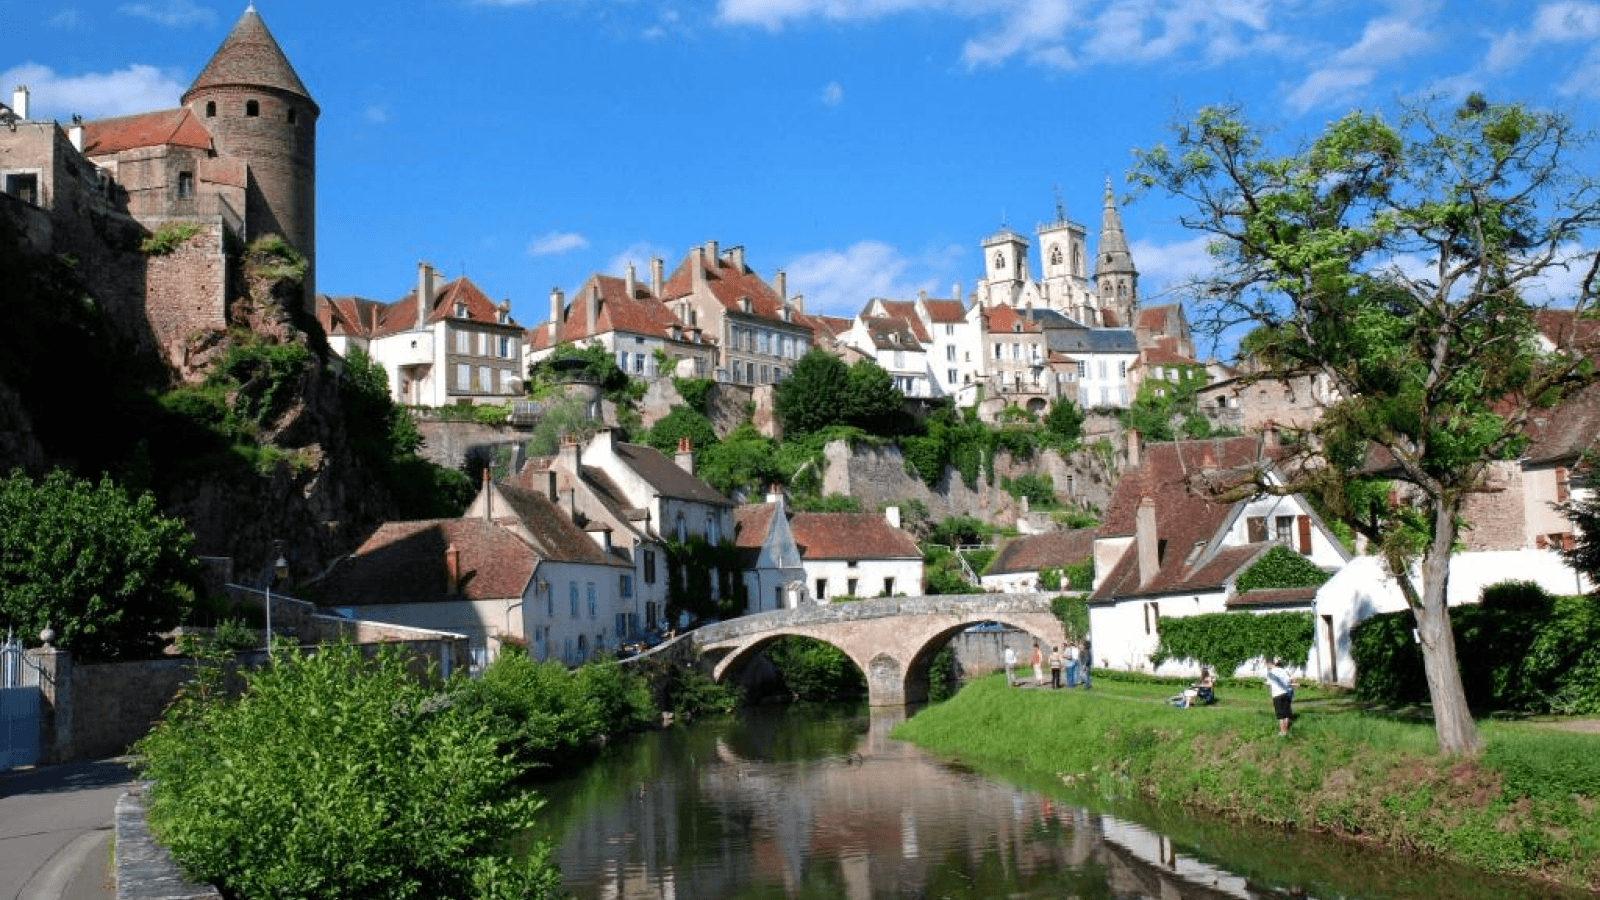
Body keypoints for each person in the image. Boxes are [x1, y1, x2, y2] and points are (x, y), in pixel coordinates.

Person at [1265, 657, 1293, 735]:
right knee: (1286, 712)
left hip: (1277, 694)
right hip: (1285, 693)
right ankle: (1286, 730)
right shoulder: (1283, 670)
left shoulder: (1270, 673)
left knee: (1280, 714)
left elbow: (1268, 683)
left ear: (1268, 664)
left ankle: (1282, 731)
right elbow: (1288, 681)